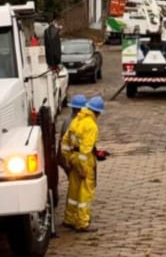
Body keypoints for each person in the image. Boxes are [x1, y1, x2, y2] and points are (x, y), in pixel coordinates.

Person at [61, 95, 103, 232]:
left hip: (73, 158)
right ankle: (82, 223)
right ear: (98, 112)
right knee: (85, 193)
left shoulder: (76, 120)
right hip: (84, 161)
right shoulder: (91, 125)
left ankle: (69, 219)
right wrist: (83, 168)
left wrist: (69, 158)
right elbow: (86, 149)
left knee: (73, 191)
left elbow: (65, 142)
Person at [59, 94, 87, 174]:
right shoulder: (72, 123)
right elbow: (68, 145)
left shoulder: (73, 119)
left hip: (70, 155)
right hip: (69, 157)